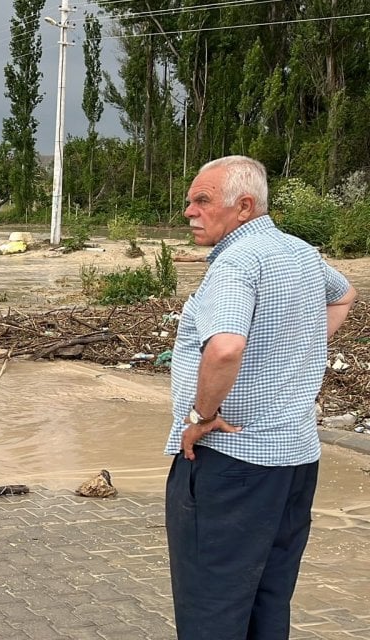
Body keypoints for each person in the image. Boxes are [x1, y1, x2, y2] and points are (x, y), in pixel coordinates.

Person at [165, 155, 356, 639]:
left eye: (202, 200)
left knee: (213, 605)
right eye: (191, 200)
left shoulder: (236, 262)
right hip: (295, 461)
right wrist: (297, 349)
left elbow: (226, 348)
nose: (189, 211)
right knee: (269, 599)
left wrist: (200, 416)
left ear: (244, 206)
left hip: (232, 466)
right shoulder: (300, 252)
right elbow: (345, 294)